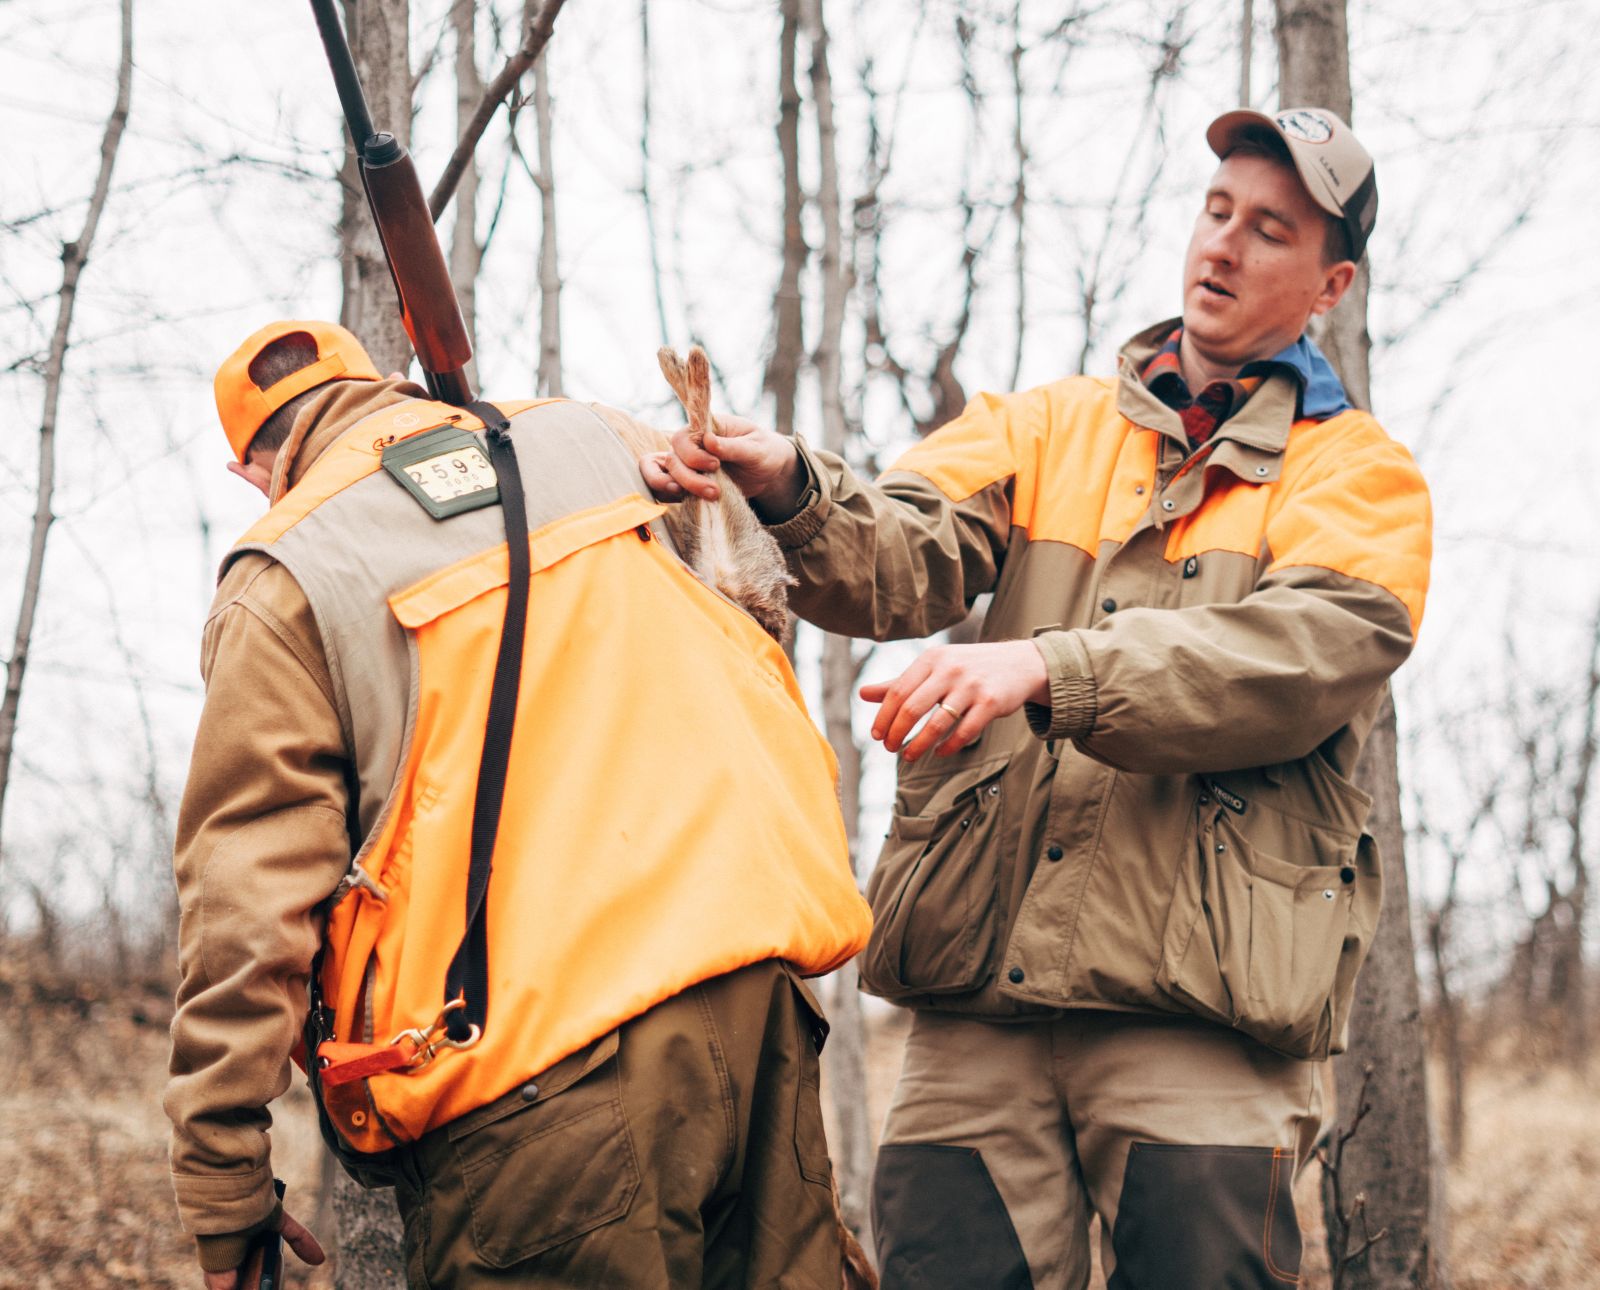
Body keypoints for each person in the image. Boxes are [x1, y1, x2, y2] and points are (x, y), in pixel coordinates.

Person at [646, 108, 1431, 1288]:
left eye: (1268, 230)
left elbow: (1303, 656)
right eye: (1215, 211)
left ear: (1331, 286)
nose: (1221, 245)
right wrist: (788, 485)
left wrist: (1049, 669)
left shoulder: (1360, 475)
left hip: (1202, 1020)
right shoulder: (1044, 424)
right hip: (977, 1006)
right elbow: (898, 547)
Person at [164, 318, 873, 1289]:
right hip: (762, 1014)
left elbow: (245, 913)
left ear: (251, 471)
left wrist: (223, 1185)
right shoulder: (593, 437)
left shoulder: (282, 574)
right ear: (386, 383)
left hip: (541, 1084)